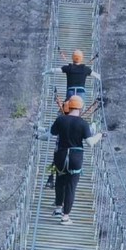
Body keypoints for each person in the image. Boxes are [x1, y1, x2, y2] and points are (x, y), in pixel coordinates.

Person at [49, 96, 103, 225]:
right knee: (71, 187)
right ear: (80, 107)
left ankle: (58, 208)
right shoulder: (83, 123)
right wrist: (100, 135)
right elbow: (90, 142)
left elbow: (50, 134)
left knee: (60, 181)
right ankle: (65, 217)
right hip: (75, 157)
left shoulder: (60, 120)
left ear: (69, 106)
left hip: (60, 156)